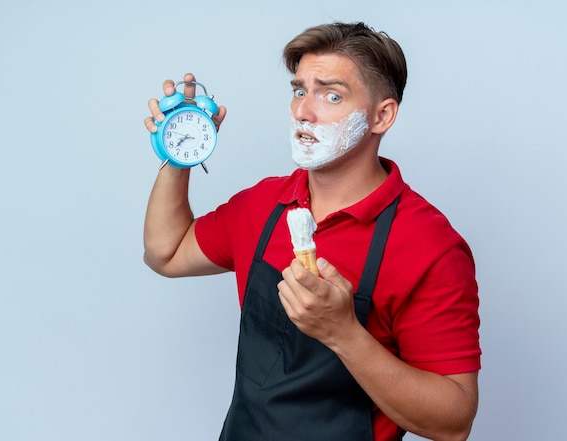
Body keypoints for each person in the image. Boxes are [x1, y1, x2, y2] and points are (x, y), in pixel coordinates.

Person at [143, 21, 481, 441]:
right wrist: (180, 150)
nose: (303, 110)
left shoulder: (430, 246)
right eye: (300, 90)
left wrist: (343, 334)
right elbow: (167, 252)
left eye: (331, 95)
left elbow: (454, 422)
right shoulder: (264, 203)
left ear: (382, 115)